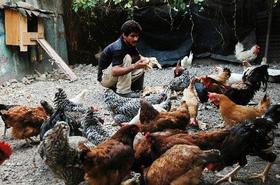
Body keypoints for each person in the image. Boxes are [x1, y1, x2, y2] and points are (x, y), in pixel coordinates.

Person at [97, 20, 149, 98]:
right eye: (133, 36)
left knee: (141, 68)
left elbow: (138, 57)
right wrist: (134, 66)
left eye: (137, 36)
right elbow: (115, 71)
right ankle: (123, 92)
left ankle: (135, 89)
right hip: (105, 78)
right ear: (124, 35)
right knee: (127, 58)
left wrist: (146, 60)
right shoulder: (118, 48)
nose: (136, 39)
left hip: (113, 75)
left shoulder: (129, 44)